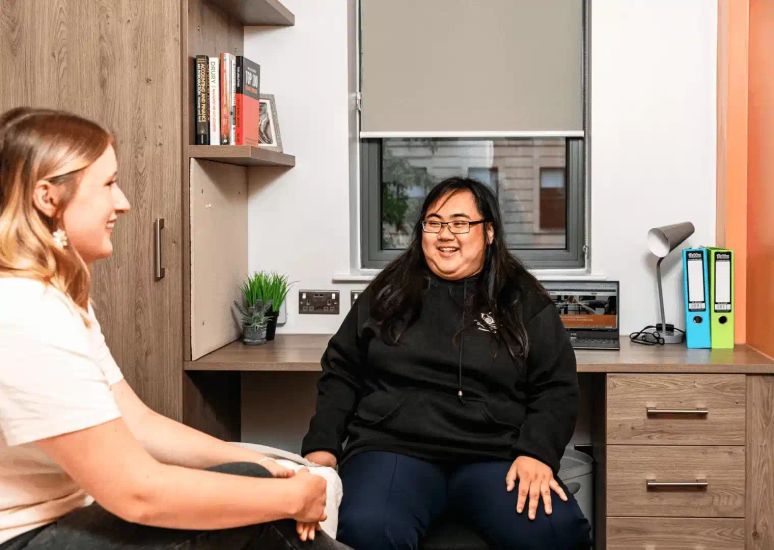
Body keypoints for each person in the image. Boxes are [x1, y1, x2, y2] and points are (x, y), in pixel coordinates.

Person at [0, 107, 348, 550]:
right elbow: (137, 493)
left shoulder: (58, 298)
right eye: (108, 184)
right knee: (255, 513)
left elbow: (137, 422)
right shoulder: (24, 312)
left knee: (249, 479)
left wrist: (263, 465)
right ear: (47, 198)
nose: (123, 203)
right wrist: (291, 497)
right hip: (25, 539)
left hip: (69, 517)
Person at [302, 177, 592, 549]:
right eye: (434, 223)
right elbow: (342, 370)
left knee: (557, 532)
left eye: (460, 223)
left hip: (494, 455)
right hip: (395, 447)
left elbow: (556, 387)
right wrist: (322, 446)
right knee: (370, 529)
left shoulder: (522, 298)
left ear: (489, 232)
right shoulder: (388, 291)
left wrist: (537, 453)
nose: (445, 234)